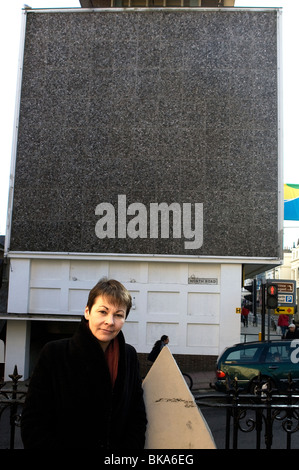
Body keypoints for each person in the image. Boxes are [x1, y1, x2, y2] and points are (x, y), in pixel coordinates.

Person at [21, 278, 147, 449]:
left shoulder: (129, 355)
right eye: (103, 312)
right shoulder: (55, 353)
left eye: (118, 315)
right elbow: (34, 422)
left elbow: (136, 415)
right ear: (87, 312)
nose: (110, 321)